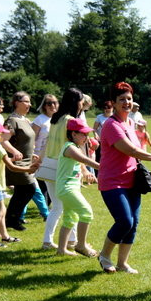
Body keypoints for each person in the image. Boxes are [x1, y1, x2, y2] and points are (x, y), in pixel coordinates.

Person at [98, 82, 151, 275]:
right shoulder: (111, 125)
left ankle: (122, 263)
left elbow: (138, 150)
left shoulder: (129, 123)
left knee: (133, 223)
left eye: (129, 98)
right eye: (122, 99)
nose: (127, 102)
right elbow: (130, 149)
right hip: (112, 182)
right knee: (125, 221)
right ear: (113, 103)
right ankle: (104, 255)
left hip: (132, 180)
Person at [0, 121, 40, 247]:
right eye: (3, 134)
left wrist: (12, 159)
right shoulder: (0, 150)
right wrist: (29, 169)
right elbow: (12, 168)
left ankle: (4, 237)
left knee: (2, 210)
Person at [41, 88, 88, 250]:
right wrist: (84, 169)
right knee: (68, 207)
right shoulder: (70, 121)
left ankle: (68, 240)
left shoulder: (56, 118)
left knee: (59, 206)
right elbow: (73, 149)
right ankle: (53, 241)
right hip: (64, 168)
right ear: (76, 102)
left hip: (49, 165)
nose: (82, 105)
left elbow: (47, 143)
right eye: (81, 101)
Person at [56, 119, 100, 257]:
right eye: (83, 134)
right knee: (86, 213)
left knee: (70, 218)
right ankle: (81, 245)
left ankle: (61, 249)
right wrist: (105, 168)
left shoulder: (74, 147)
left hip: (70, 187)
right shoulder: (69, 147)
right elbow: (85, 160)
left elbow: (81, 164)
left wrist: (86, 173)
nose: (87, 137)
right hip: (67, 188)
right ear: (73, 134)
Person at [2, 92, 44, 232]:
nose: (30, 105)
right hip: (17, 163)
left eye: (30, 102)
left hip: (27, 161)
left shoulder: (25, 120)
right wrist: (14, 151)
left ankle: (11, 220)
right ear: (16, 103)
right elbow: (3, 140)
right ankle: (11, 219)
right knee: (29, 189)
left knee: (21, 191)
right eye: (26, 101)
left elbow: (27, 141)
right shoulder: (12, 121)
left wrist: (32, 155)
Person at [32, 94, 58, 207]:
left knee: (52, 182)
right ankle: (45, 210)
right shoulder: (40, 119)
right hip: (39, 156)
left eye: (54, 102)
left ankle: (47, 208)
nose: (52, 105)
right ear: (44, 106)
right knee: (42, 184)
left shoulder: (59, 119)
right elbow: (32, 138)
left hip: (53, 156)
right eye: (49, 103)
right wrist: (32, 153)